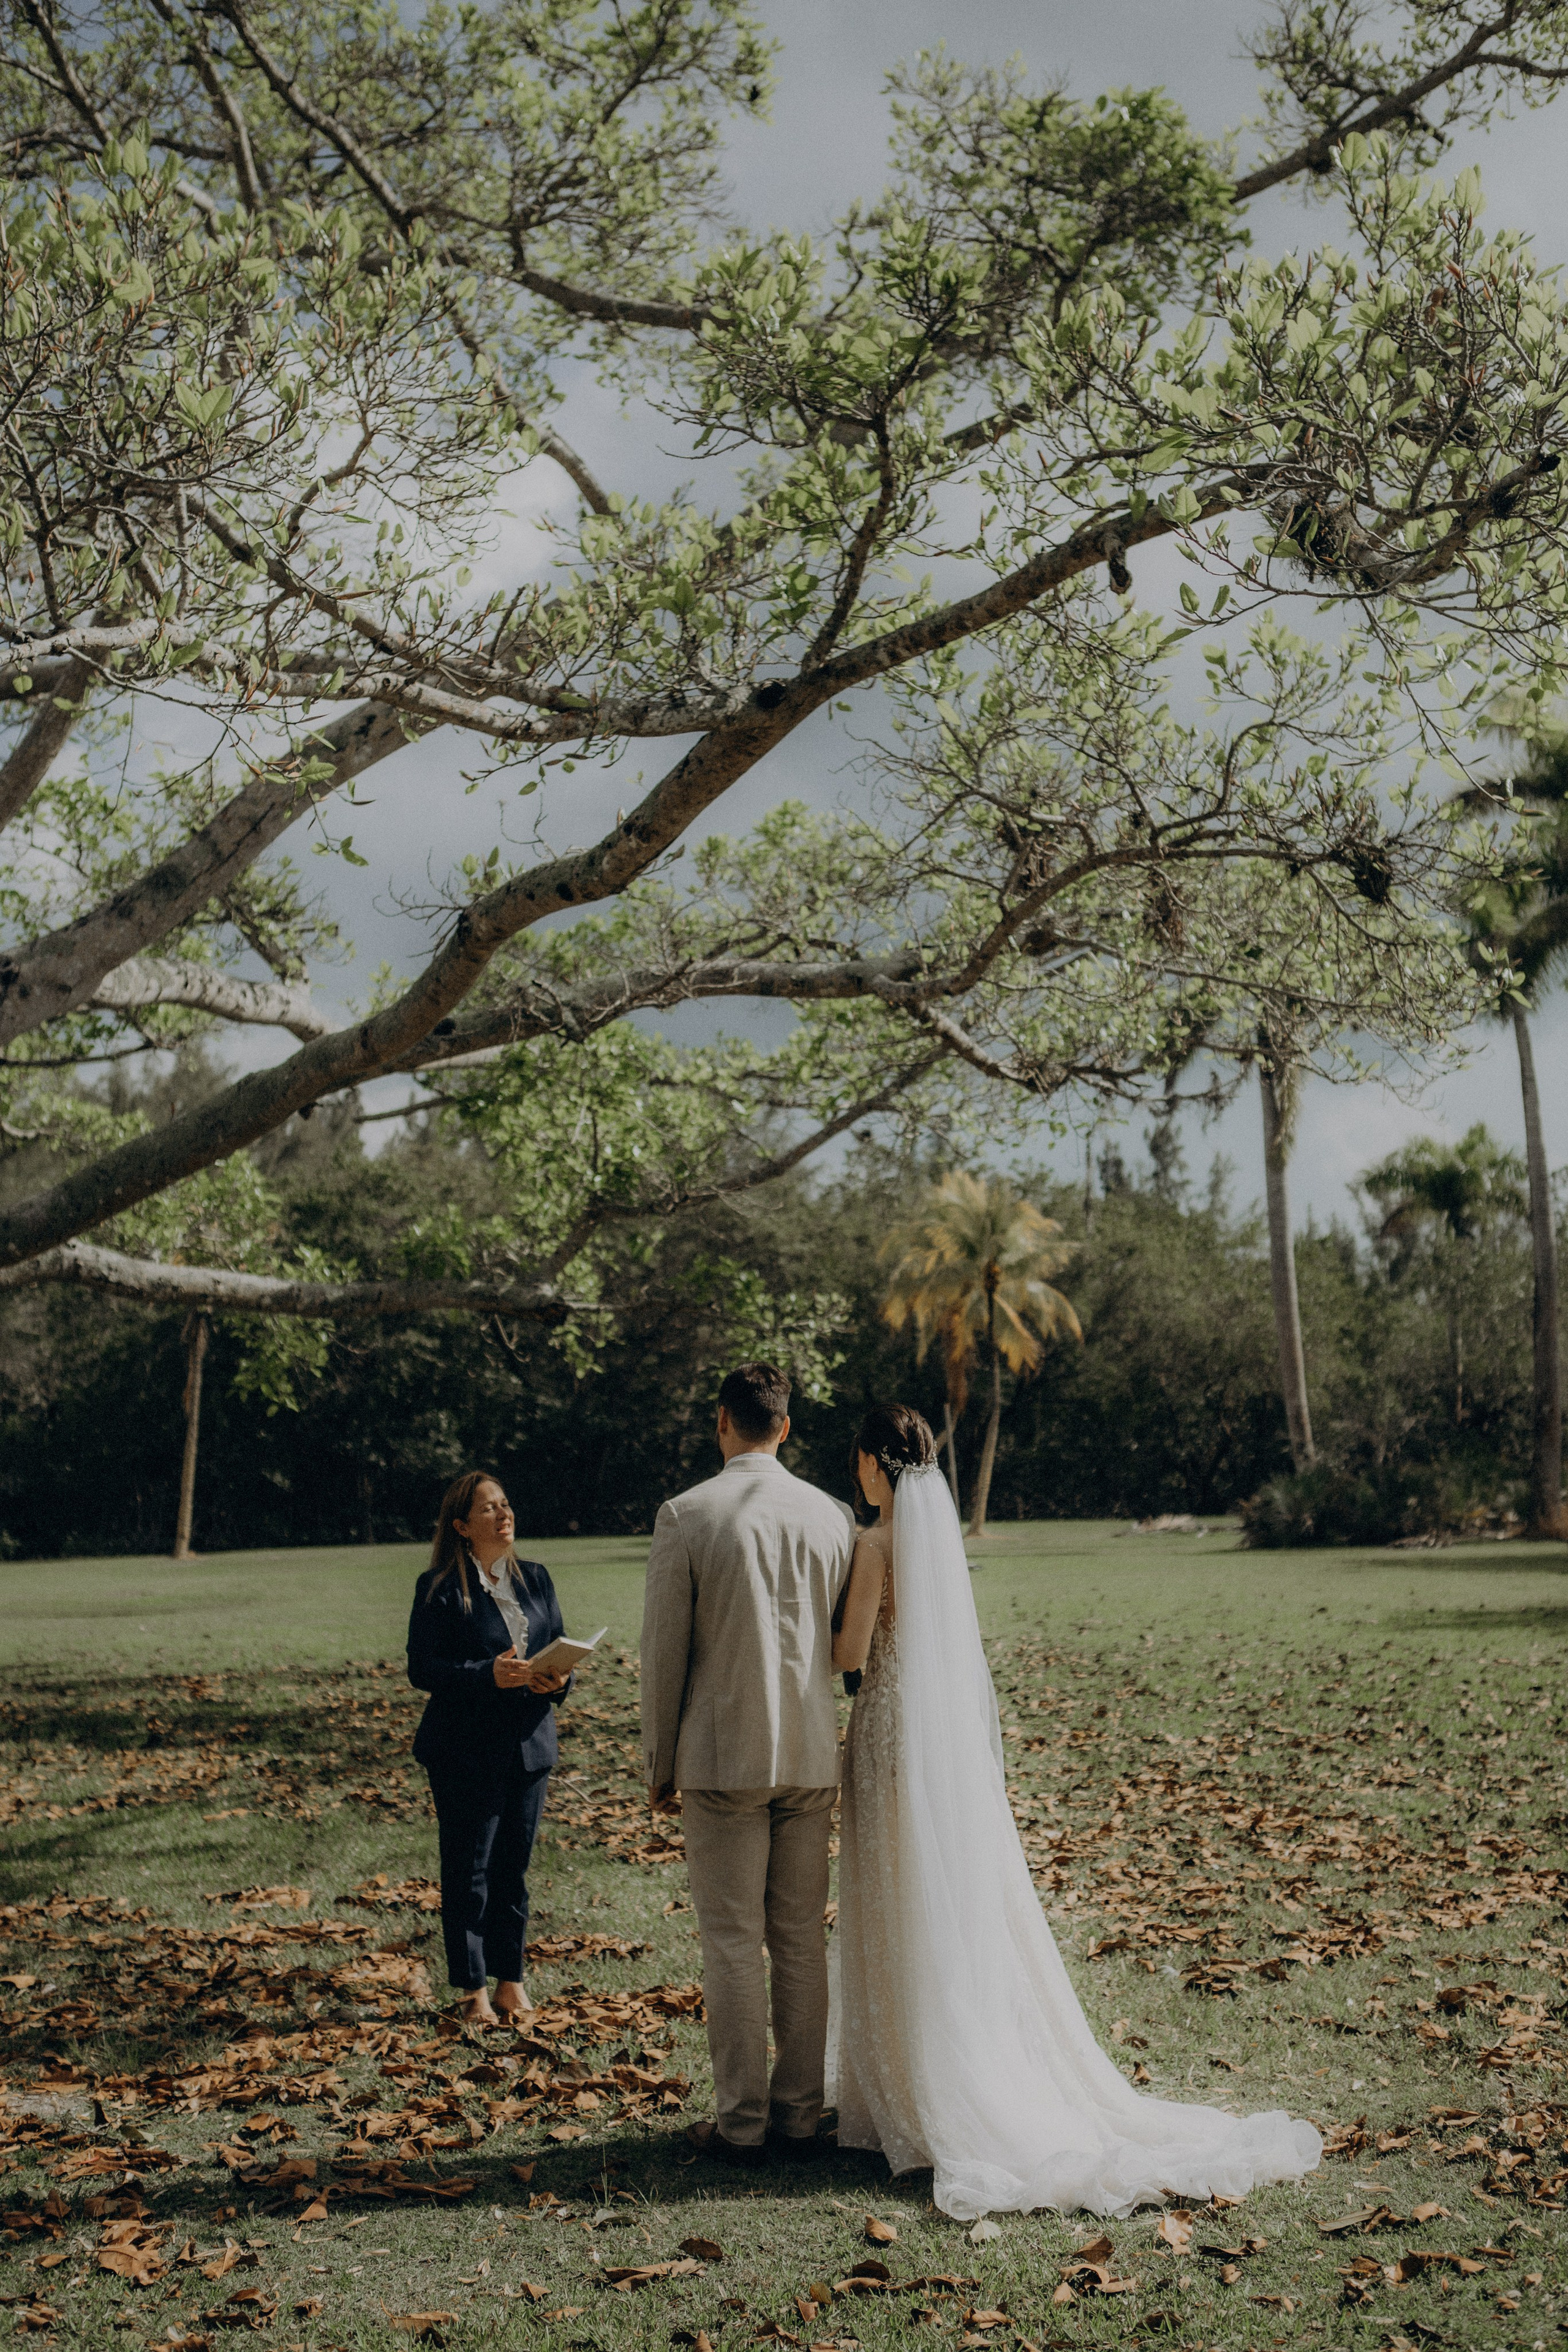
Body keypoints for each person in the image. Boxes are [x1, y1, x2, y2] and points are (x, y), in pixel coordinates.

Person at [828, 1403, 1324, 2221]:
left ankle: (911, 2087)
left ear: (876, 1465)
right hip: (934, 1740)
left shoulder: (876, 1544)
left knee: (893, 1895)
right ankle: (926, 2066)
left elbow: (850, 1654)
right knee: (940, 1900)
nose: (856, 1474)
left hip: (887, 1734)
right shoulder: (935, 1545)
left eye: (859, 1461)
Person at [640, 1362, 855, 2165]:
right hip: (808, 1750)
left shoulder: (687, 1514)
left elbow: (664, 1653)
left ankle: (740, 2124)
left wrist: (660, 1760)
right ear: (786, 1427)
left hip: (723, 1754)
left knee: (731, 1940)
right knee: (799, 1937)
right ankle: (800, 2116)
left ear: (721, 1421)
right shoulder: (833, 1515)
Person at [407, 1469, 572, 2026]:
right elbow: (423, 1669)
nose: (504, 1515)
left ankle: (511, 1982)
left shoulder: (537, 1578)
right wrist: (488, 1675)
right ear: (461, 1526)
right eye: (488, 1509)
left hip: (529, 1746)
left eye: (505, 1504)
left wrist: (558, 1681)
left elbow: (559, 1648)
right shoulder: (438, 1588)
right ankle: (472, 1989)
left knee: (513, 1870)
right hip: (464, 1749)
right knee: (469, 1871)